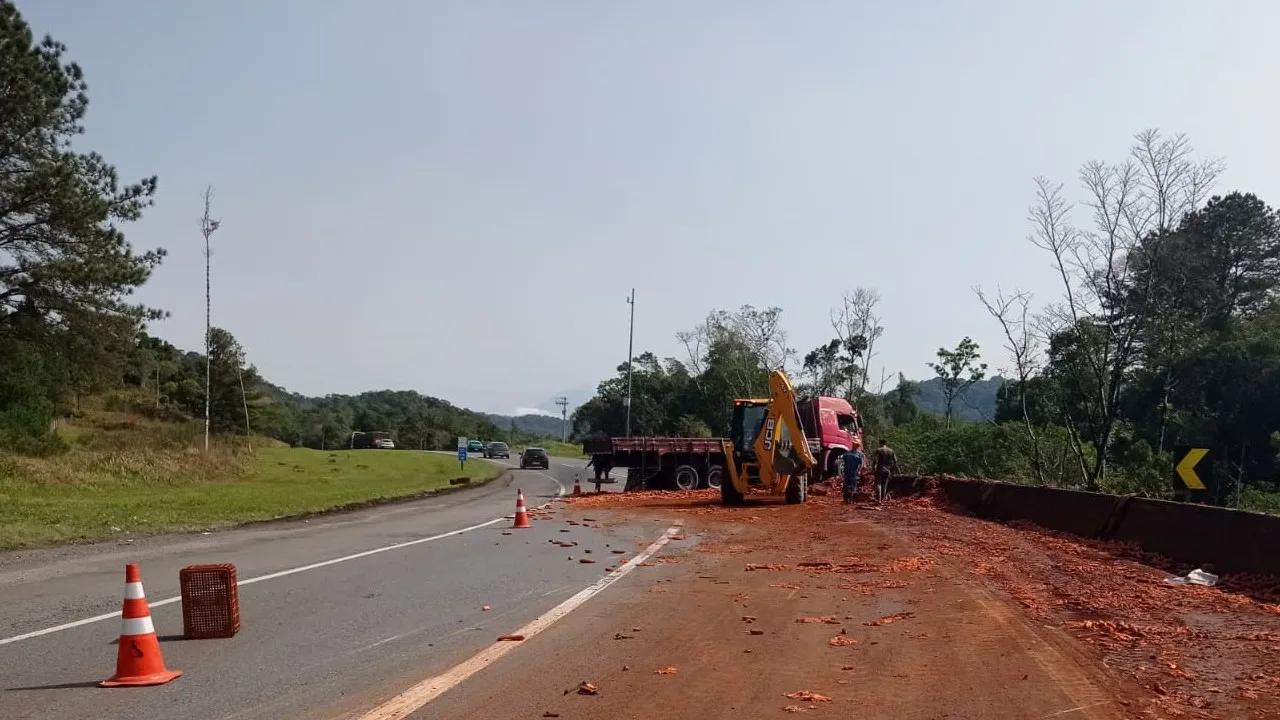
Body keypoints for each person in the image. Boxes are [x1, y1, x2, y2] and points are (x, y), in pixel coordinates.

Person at [871, 439, 898, 504]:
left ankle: (879, 500)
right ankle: (883, 500)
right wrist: (893, 470)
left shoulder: (879, 450)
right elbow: (895, 461)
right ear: (886, 443)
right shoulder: (891, 451)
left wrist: (873, 468)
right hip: (887, 470)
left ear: (880, 443)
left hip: (880, 469)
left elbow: (874, 460)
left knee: (879, 484)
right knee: (885, 485)